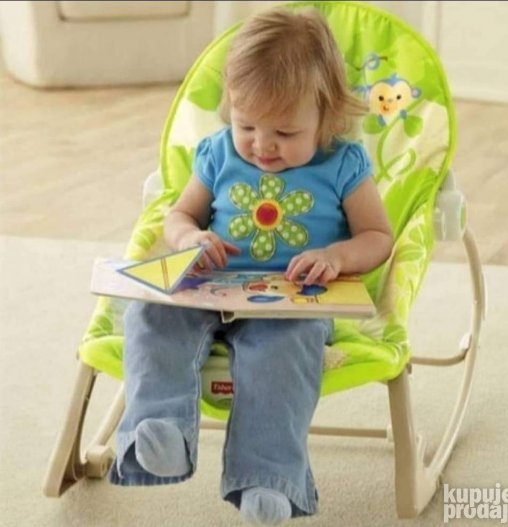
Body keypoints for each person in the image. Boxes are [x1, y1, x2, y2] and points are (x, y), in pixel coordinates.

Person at [108, 7, 393, 525]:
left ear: (326, 118)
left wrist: (335, 256)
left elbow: (378, 237)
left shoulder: (342, 164)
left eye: (284, 131)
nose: (262, 144)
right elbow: (179, 215)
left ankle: (268, 477)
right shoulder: (219, 154)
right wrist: (192, 238)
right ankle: (161, 428)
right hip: (210, 288)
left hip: (293, 305)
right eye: (247, 125)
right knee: (149, 314)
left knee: (282, 357)